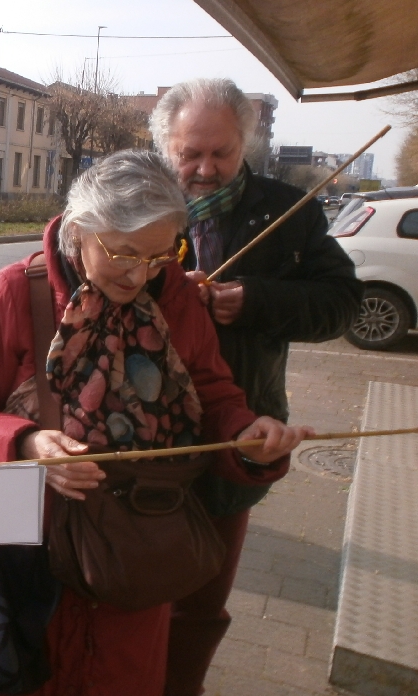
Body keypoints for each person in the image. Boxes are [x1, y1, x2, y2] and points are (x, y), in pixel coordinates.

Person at [0, 150, 311, 696]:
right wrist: (28, 442)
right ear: (79, 232)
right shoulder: (15, 291)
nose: (141, 274)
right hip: (20, 556)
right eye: (123, 253)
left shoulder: (175, 294)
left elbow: (216, 396)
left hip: (137, 555)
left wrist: (249, 439)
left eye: (161, 254)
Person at [148, 78, 363, 696]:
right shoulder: (136, 200)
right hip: (139, 434)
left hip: (236, 436)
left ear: (247, 142)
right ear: (166, 145)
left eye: (223, 153)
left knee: (200, 602)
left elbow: (342, 304)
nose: (205, 169)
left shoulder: (288, 211)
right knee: (124, 581)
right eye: (190, 154)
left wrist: (255, 302)